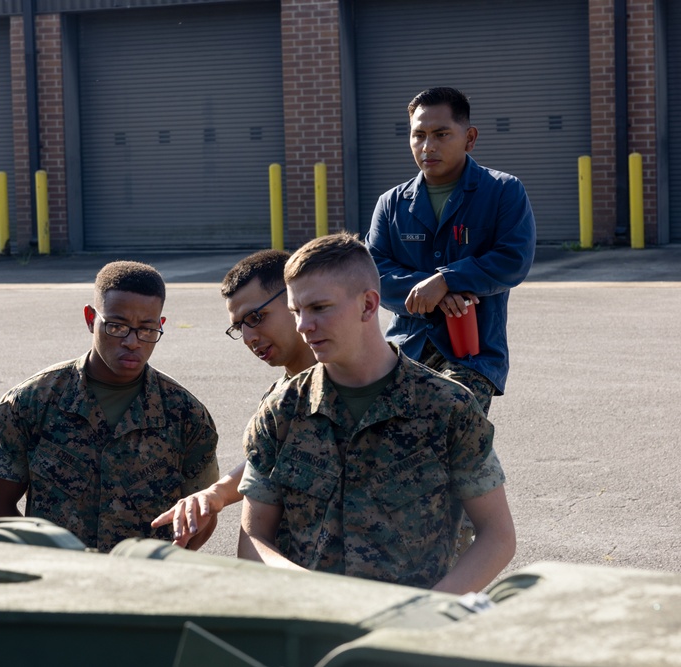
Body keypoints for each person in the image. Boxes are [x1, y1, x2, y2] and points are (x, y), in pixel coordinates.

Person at [238, 233, 515, 594]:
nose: (303, 326)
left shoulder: (446, 407)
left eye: (319, 308)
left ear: (368, 306)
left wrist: (426, 610)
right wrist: (310, 591)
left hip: (410, 635)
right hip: (309, 628)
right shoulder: (282, 410)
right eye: (296, 311)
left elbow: (497, 535)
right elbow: (253, 538)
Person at [0, 260, 219, 552]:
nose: (133, 342)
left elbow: (202, 516)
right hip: (58, 584)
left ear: (160, 325)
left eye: (147, 329)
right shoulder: (31, 402)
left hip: (146, 587)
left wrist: (162, 568)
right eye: (116, 326)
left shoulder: (186, 415)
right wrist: (42, 561)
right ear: (90, 318)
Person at [365, 86, 536, 414]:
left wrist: (447, 279)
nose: (428, 146)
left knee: (450, 424)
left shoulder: (502, 191)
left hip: (472, 354)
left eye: (442, 134)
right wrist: (436, 291)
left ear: (469, 138)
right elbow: (372, 275)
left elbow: (512, 260)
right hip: (406, 349)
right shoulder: (392, 203)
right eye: (419, 135)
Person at [151, 249, 316, 548]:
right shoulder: (280, 395)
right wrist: (215, 495)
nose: (250, 337)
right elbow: (264, 461)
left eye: (257, 317)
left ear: (295, 301)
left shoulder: (351, 381)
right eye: (240, 326)